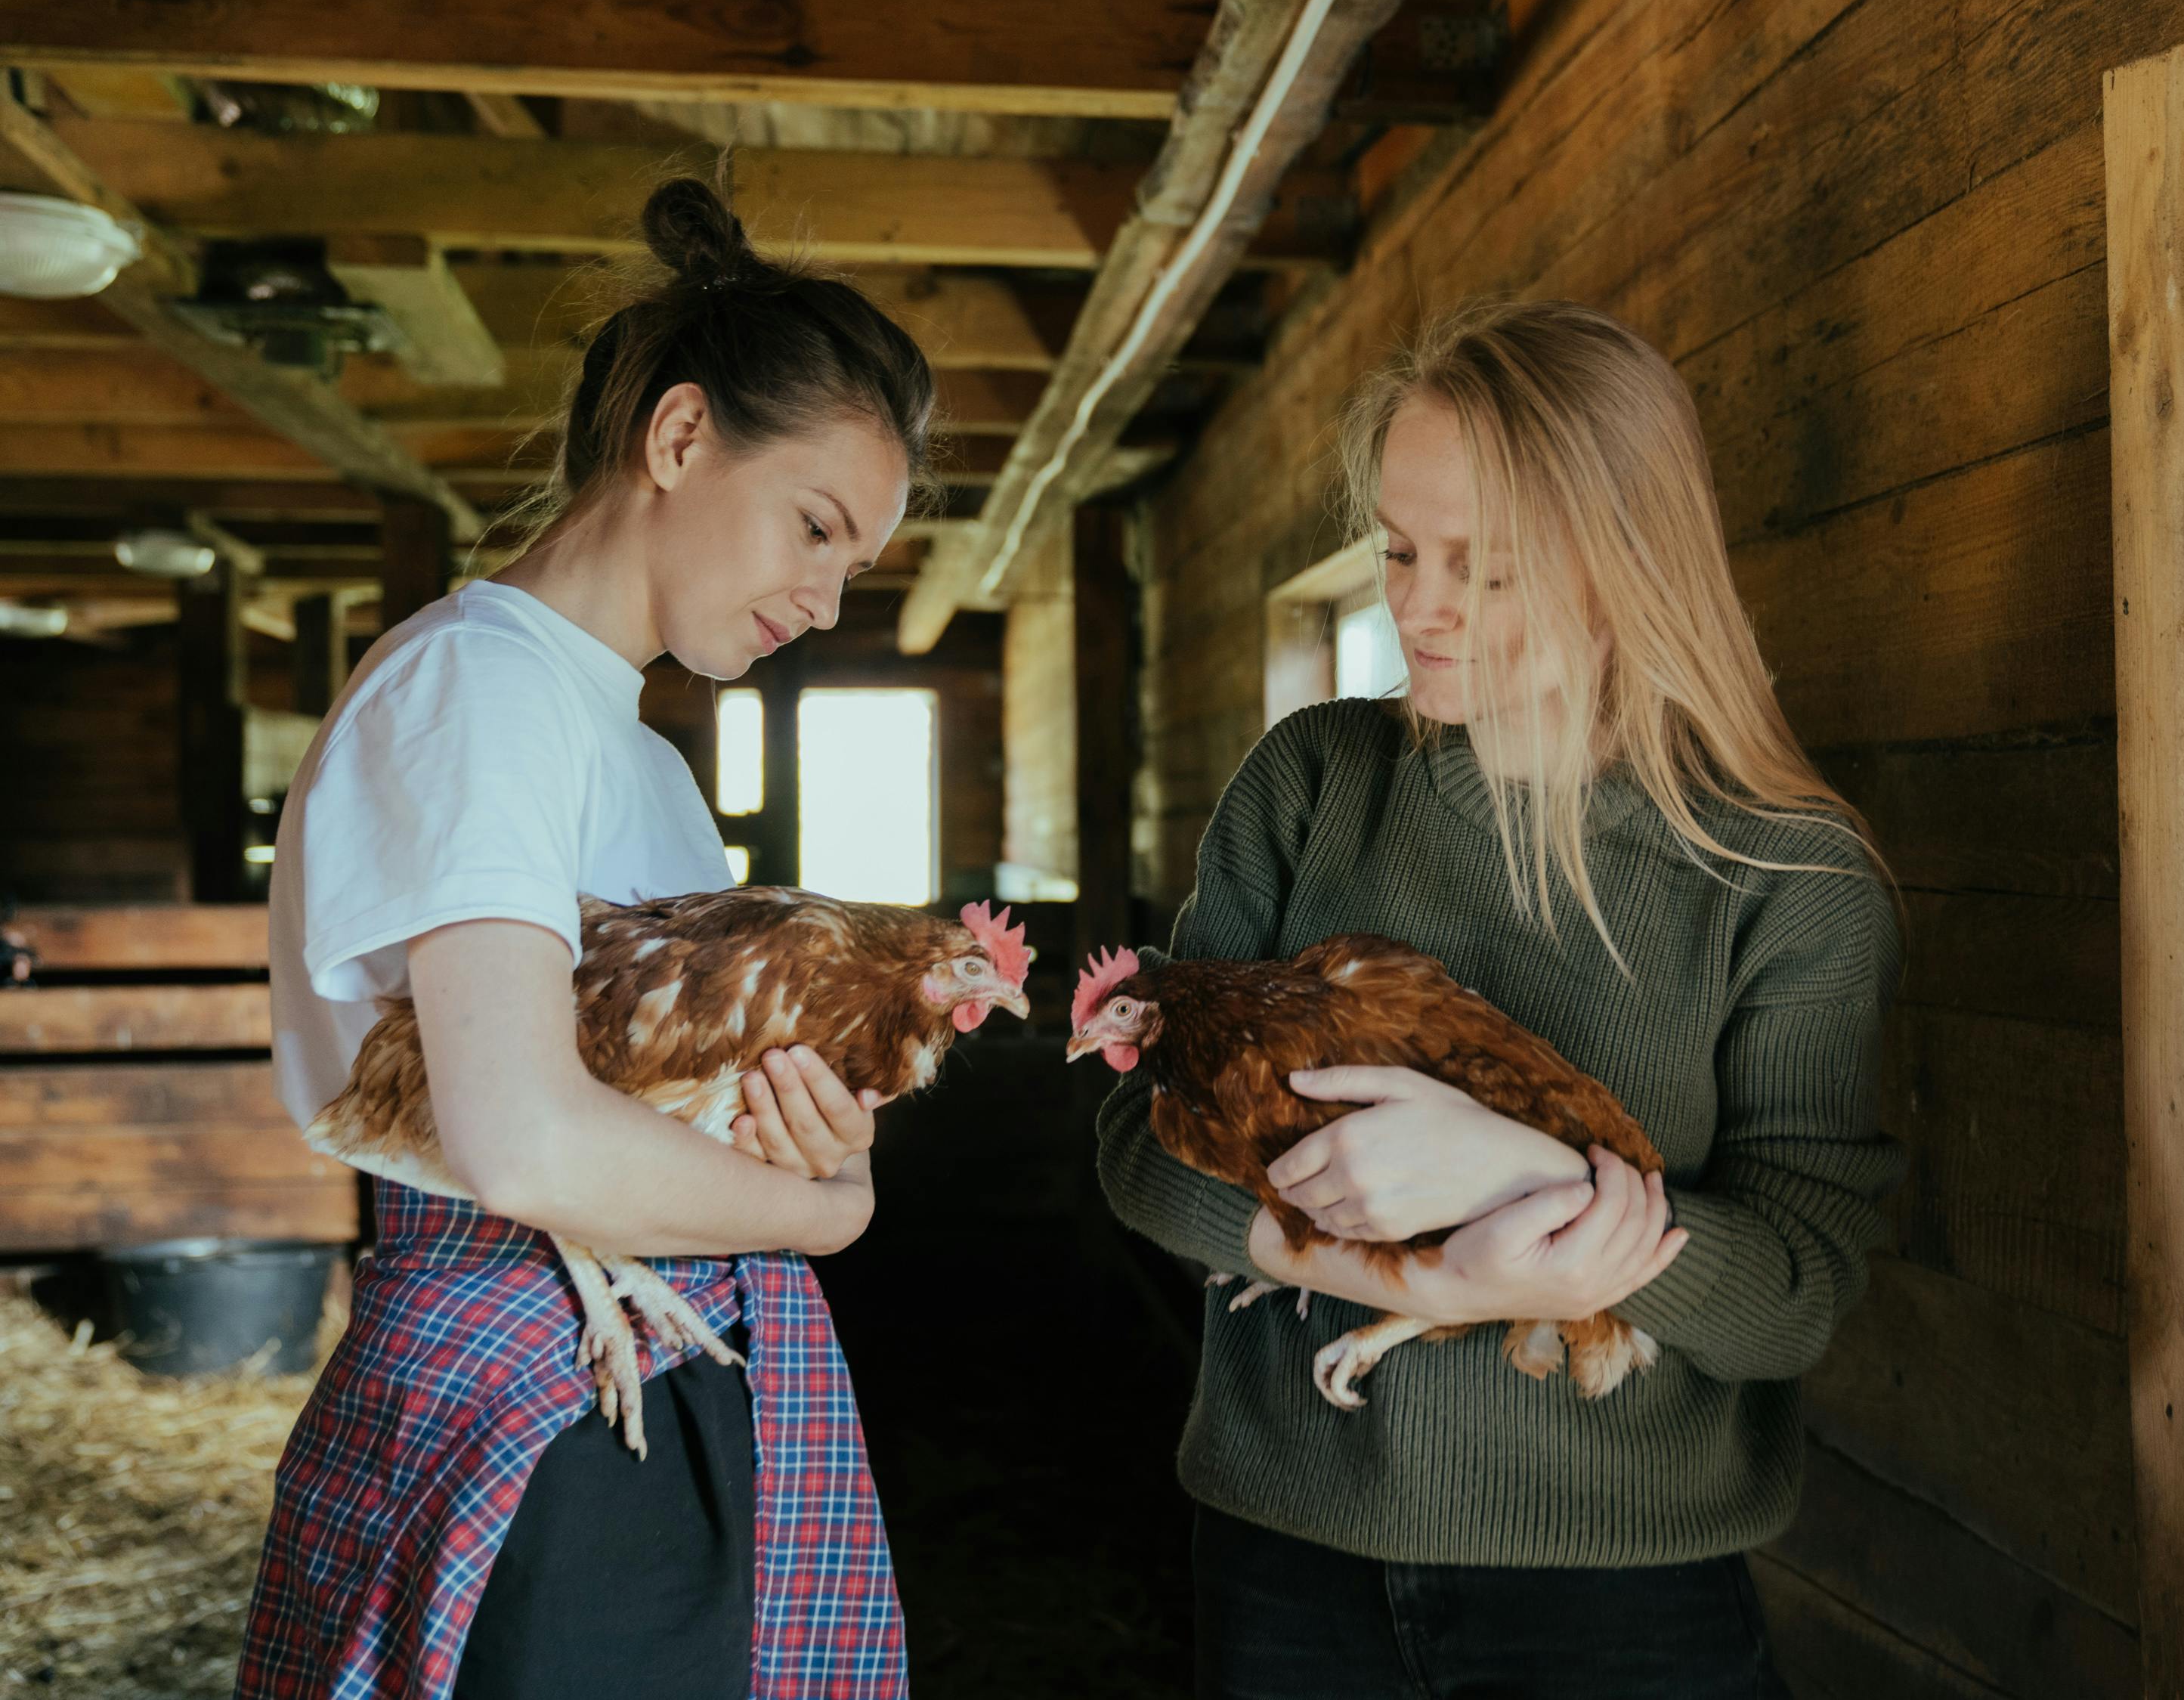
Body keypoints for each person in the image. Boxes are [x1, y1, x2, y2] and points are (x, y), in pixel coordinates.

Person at [1097, 299, 1905, 1699]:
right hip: (1291, 1557)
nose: (1420, 604)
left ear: (1623, 563)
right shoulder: (1313, 782)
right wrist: (1427, 1274)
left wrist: (1526, 1173)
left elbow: (1797, 1296)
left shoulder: (1782, 874)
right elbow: (1140, 1154)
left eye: (1489, 565)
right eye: (1403, 550)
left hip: (1623, 1600)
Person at [237, 177, 932, 1700]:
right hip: (532, 1381)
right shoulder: (475, 694)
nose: (823, 599)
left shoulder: (647, 771)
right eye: (814, 527)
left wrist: (824, 1150)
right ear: (680, 439)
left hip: (659, 1371)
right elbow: (527, 1146)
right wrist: (824, 1217)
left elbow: (702, 1128)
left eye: (853, 566)